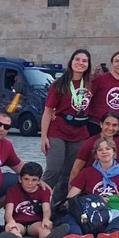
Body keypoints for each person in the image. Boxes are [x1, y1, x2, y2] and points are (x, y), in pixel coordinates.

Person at [58, 136, 119, 238]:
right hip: (89, 215)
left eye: (108, 148)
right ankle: (78, 236)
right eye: (100, 150)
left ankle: (108, 236)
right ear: (96, 155)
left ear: (114, 152)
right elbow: (70, 198)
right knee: (68, 218)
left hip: (109, 215)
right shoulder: (86, 172)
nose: (104, 152)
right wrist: (96, 200)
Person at [41, 49, 94, 206]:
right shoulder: (59, 84)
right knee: (54, 170)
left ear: (88, 64)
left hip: (79, 133)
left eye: (84, 61)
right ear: (71, 61)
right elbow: (48, 111)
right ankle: (37, 203)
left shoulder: (91, 83)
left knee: (68, 175)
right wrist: (43, 137)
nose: (80, 63)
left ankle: (56, 207)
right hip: (58, 131)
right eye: (77, 59)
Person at [1, 162, 69, 238]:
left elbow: (46, 209)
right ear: (20, 179)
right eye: (26, 179)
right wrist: (10, 221)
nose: (29, 183)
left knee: (43, 228)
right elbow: (8, 212)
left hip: (35, 223)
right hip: (18, 222)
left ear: (39, 181)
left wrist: (46, 219)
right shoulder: (12, 191)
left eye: (34, 180)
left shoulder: (43, 191)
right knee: (13, 229)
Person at [68, 112, 119, 184]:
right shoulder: (90, 142)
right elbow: (75, 170)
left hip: (111, 183)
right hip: (89, 181)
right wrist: (71, 190)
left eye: (114, 125)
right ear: (101, 124)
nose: (110, 128)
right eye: (107, 124)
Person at [88, 51, 119, 137]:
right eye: (116, 61)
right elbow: (87, 97)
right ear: (112, 64)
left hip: (115, 126)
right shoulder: (100, 79)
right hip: (96, 124)